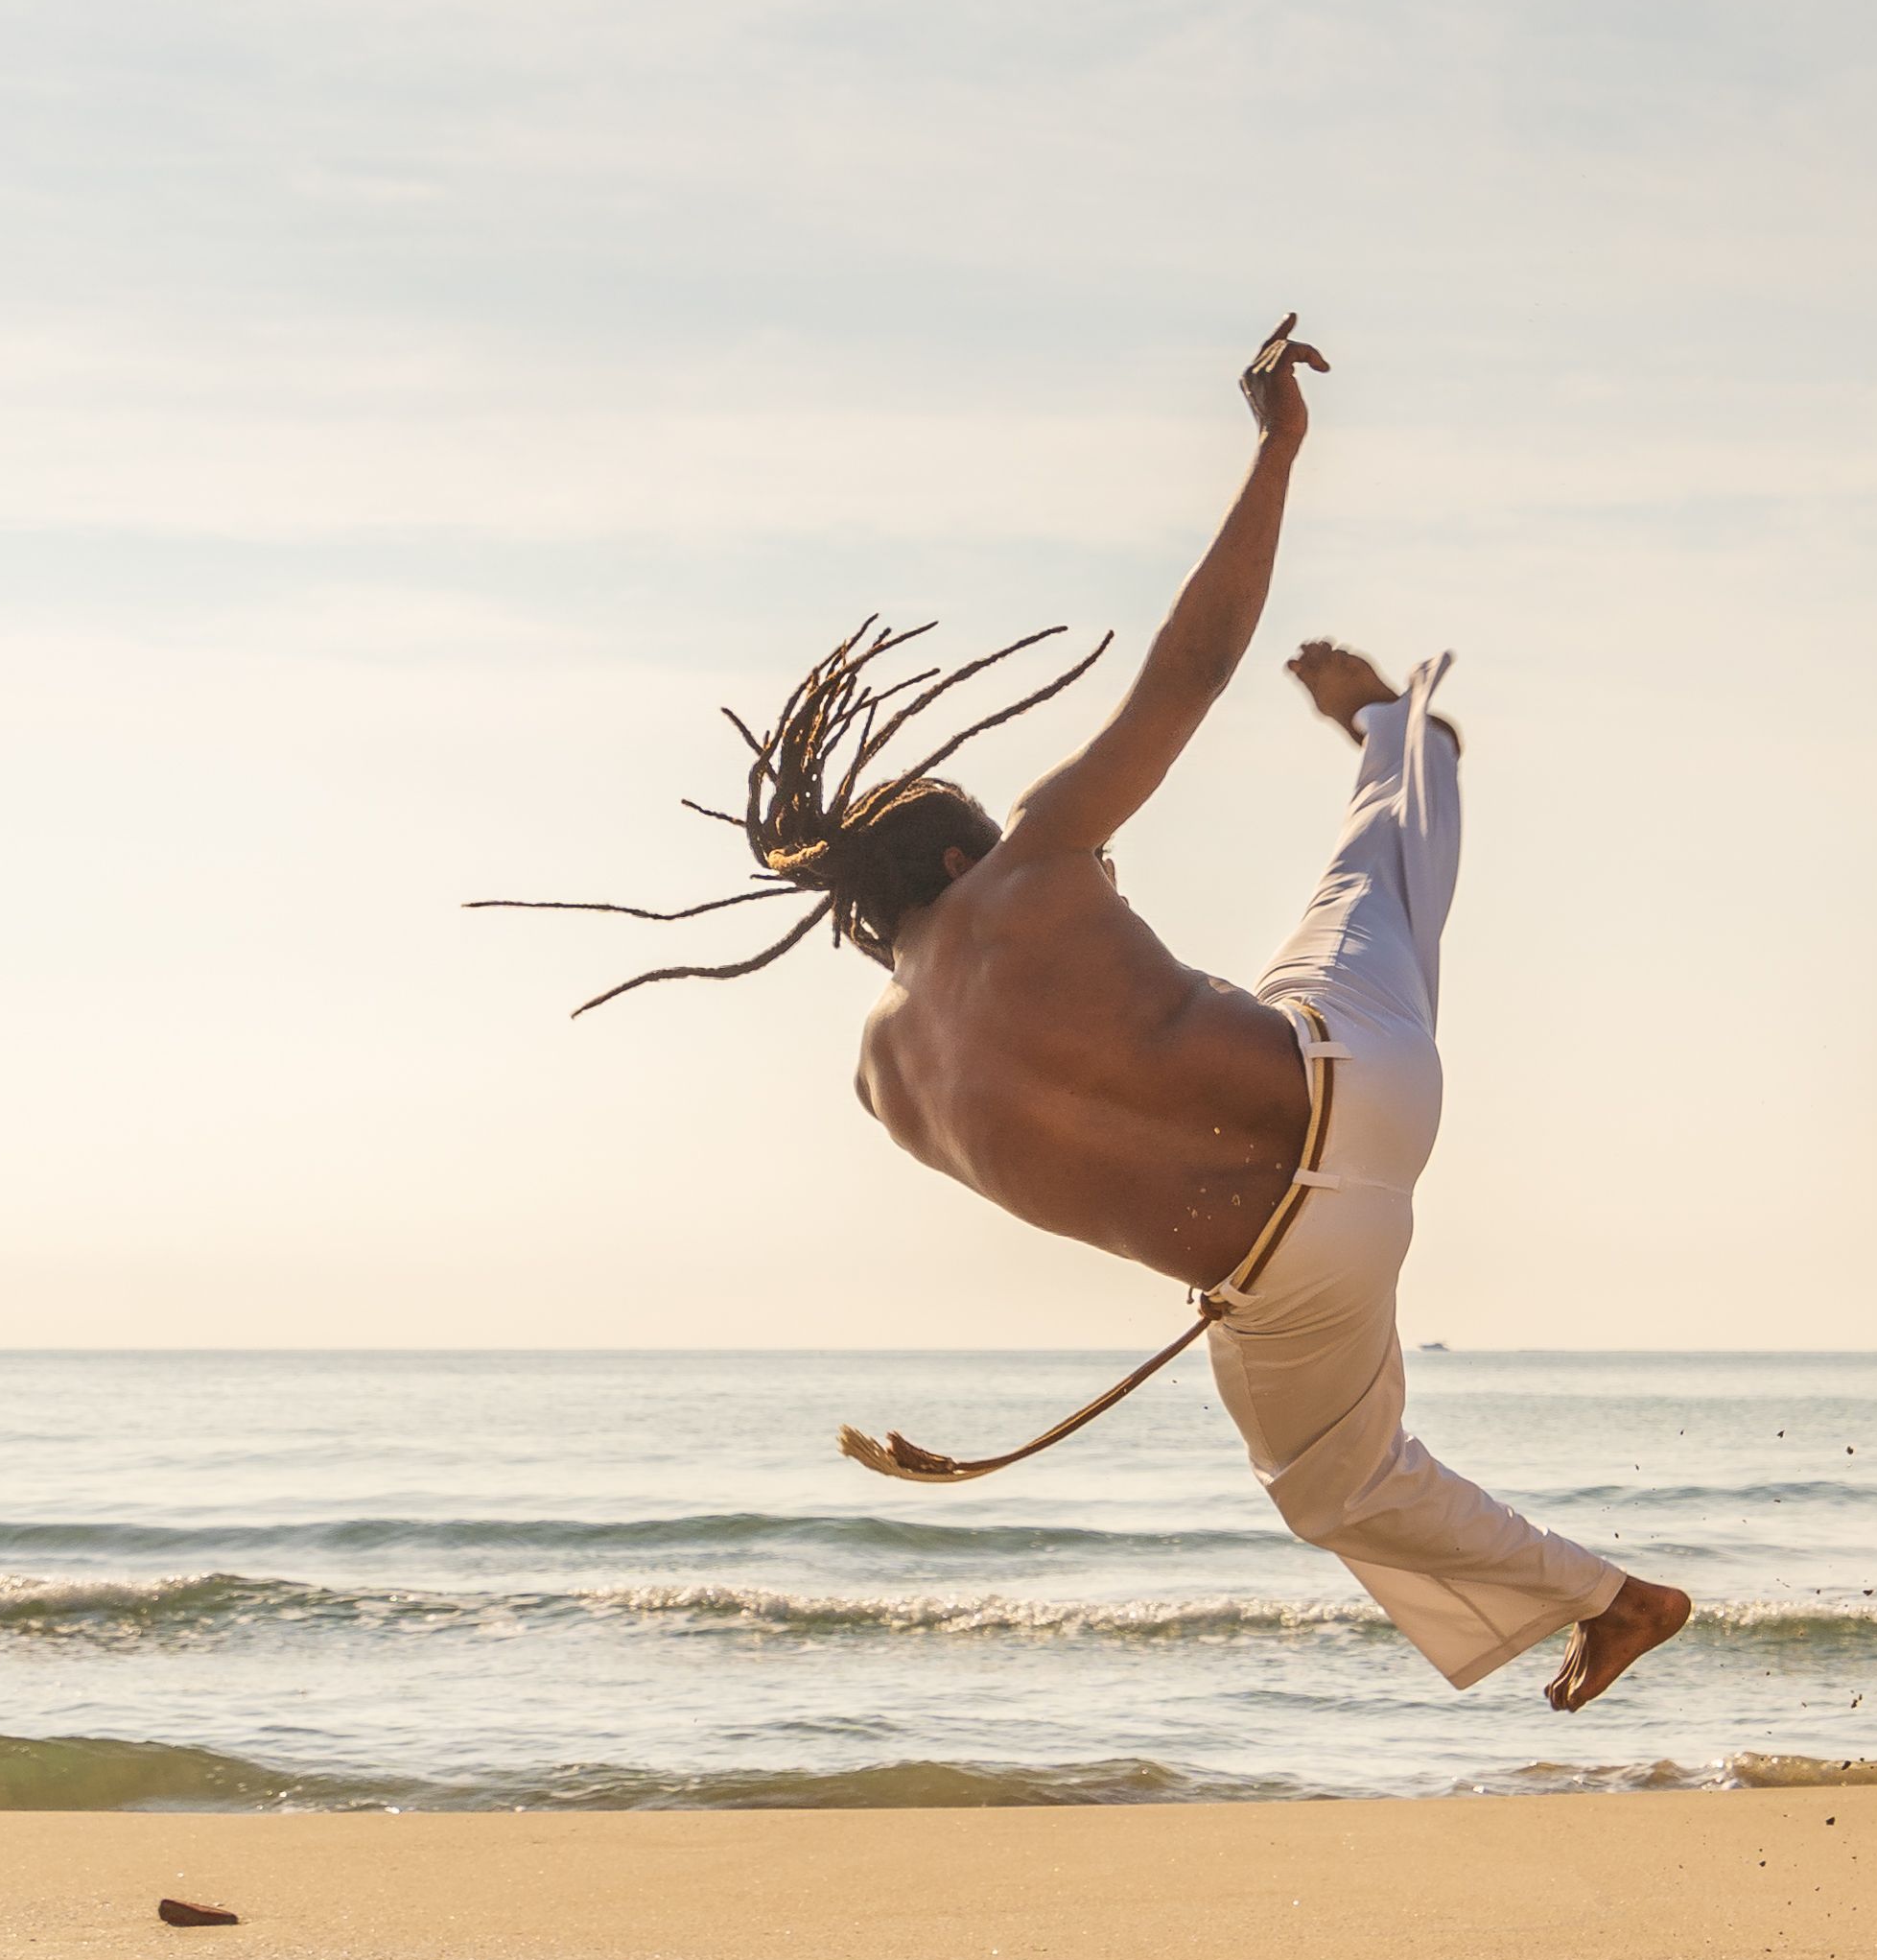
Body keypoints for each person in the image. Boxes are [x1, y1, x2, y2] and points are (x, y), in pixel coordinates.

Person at [486, 319, 1692, 1712]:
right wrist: (1277, 452)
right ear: (959, 856)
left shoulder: (882, 1080)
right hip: (1353, 1078)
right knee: (1367, 880)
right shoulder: (1031, 866)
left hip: (1292, 1268)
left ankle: (1611, 1598)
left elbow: (1079, 1161)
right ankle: (1399, 743)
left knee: (1332, 1487)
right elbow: (1188, 666)